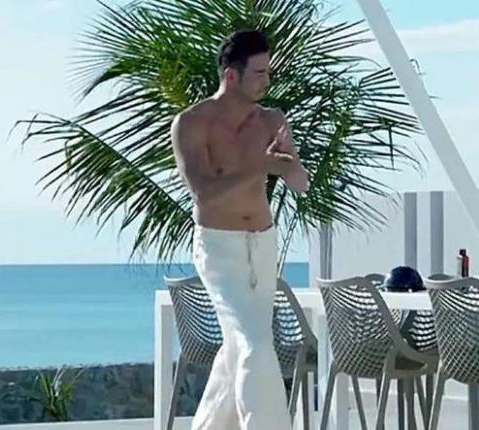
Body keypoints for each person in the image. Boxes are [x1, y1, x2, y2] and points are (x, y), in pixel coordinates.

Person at [170, 29, 309, 430]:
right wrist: (259, 166)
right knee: (254, 344)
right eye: (260, 72)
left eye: (269, 71)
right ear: (231, 75)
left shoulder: (271, 121)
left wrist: (289, 165)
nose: (268, 80)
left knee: (241, 345)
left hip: (263, 244)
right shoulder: (192, 123)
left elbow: (300, 183)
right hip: (219, 249)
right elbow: (204, 195)